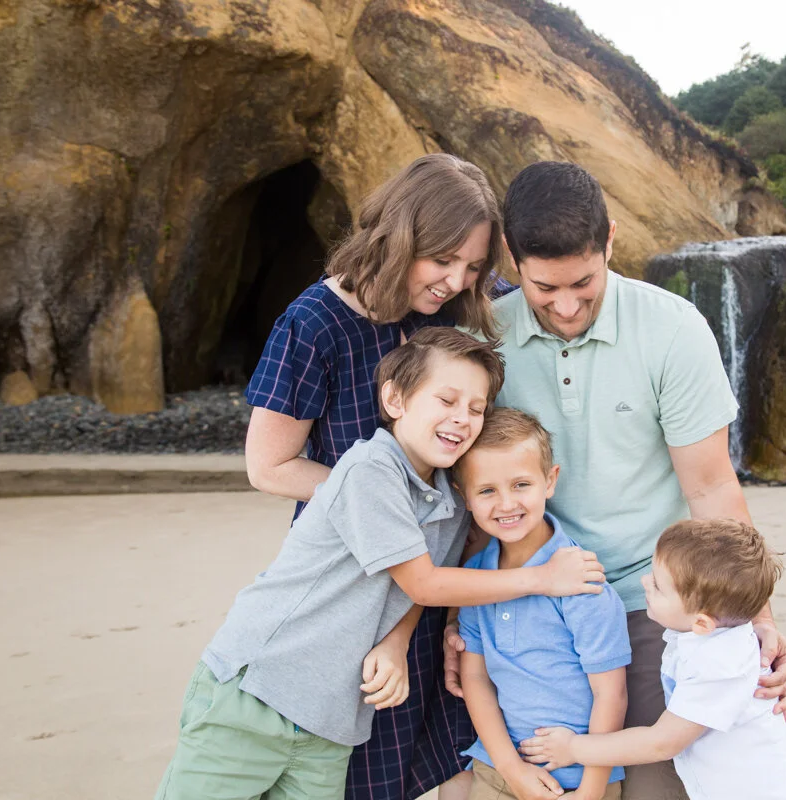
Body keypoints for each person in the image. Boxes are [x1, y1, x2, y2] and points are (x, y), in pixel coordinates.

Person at [447, 161, 786, 800]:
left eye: (584, 282)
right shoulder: (481, 339)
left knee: (660, 789)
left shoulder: (672, 329)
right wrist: (464, 612)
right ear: (511, 257)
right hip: (527, 598)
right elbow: (466, 488)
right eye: (543, 287)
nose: (565, 305)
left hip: (654, 600)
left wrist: (754, 621)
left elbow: (712, 490)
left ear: (610, 239)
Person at [155, 329, 607, 800]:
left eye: (476, 409)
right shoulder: (370, 469)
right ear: (395, 398)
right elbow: (426, 583)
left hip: (332, 721)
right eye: (446, 400)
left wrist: (397, 640)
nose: (461, 419)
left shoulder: (451, 498)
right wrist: (544, 578)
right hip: (257, 691)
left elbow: (420, 584)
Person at [242, 154, 522, 800]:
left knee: (456, 750)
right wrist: (388, 505)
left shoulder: (457, 308)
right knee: (369, 770)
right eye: (442, 259)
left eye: (474, 266)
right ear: (401, 236)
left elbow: (540, 291)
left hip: (447, 573)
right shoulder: (313, 324)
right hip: (357, 585)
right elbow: (269, 467)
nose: (455, 279)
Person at [519, 519, 786, 800]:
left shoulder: (719, 666)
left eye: (657, 586)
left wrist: (573, 748)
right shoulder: (716, 631)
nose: (645, 582)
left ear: (702, 623)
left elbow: (662, 743)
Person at [453, 408, 631, 800]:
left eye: (521, 485)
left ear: (550, 481)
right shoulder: (476, 578)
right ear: (464, 496)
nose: (506, 504)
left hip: (579, 778)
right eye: (486, 490)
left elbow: (611, 694)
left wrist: (591, 791)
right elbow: (477, 679)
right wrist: (510, 767)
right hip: (499, 768)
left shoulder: (582, 582)